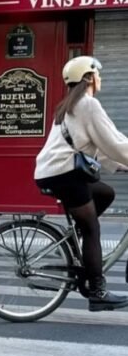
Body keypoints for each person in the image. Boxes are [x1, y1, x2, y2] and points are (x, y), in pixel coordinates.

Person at [34, 55, 128, 311]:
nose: (101, 79)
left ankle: (79, 243)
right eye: (98, 74)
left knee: (105, 193)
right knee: (92, 229)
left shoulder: (70, 105)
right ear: (89, 77)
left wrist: (119, 165)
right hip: (64, 174)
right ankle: (97, 291)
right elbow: (114, 141)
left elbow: (100, 143)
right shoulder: (87, 105)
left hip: (53, 171)